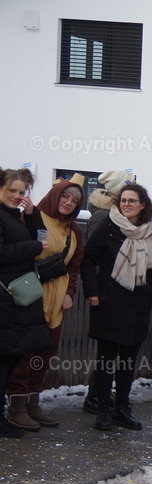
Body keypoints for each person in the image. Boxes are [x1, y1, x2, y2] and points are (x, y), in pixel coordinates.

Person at [81, 184, 152, 431]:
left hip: (138, 304)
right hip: (109, 302)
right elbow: (88, 259)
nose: (127, 204)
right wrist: (94, 292)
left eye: (132, 201)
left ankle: (122, 408)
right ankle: (103, 409)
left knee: (128, 361)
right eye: (123, 200)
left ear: (142, 205)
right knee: (107, 360)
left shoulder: (150, 230)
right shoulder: (107, 226)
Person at [6, 177, 86, 430]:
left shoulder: (75, 230)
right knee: (25, 352)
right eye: (65, 196)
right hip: (30, 295)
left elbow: (74, 266)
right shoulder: (31, 217)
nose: (68, 203)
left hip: (56, 299)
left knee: (45, 352)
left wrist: (70, 292)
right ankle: (16, 406)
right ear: (55, 195)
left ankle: (32, 402)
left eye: (74, 200)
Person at [0, 168, 52, 438]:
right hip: (6, 299)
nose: (17, 196)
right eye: (12, 190)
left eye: (21, 192)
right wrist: (32, 247)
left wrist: (32, 215)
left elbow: (43, 238)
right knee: (3, 361)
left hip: (17, 299)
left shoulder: (15, 217)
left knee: (10, 359)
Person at [81, 170, 136, 413]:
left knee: (116, 353)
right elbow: (92, 256)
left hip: (121, 295)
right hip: (106, 292)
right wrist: (95, 289)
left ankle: (102, 398)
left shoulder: (117, 216)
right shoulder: (104, 217)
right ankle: (96, 399)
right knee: (107, 353)